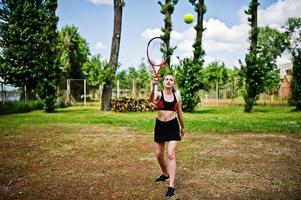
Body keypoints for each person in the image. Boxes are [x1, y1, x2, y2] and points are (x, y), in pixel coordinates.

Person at [149, 74, 185, 198]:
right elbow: (151, 99)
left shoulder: (177, 95)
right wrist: (154, 85)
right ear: (163, 82)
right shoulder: (158, 94)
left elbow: (180, 112)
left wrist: (183, 126)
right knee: (159, 154)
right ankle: (165, 174)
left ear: (173, 83)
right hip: (160, 126)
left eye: (171, 80)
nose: (169, 81)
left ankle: (171, 186)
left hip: (173, 126)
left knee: (170, 154)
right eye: (167, 79)